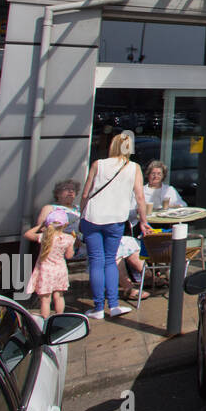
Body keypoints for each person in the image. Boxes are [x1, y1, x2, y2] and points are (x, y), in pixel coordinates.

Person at [80, 130, 149, 319]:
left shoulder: (98, 164)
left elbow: (85, 194)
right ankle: (114, 305)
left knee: (96, 261)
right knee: (110, 260)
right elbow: (140, 198)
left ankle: (97, 308)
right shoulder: (134, 168)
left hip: (92, 217)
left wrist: (81, 215)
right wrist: (143, 221)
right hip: (116, 219)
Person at [24, 210, 75, 319]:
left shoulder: (44, 237)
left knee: (45, 300)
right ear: (65, 224)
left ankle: (45, 319)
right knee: (59, 296)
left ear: (48, 224)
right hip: (60, 270)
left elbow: (27, 234)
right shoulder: (69, 238)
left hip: (45, 271)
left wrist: (40, 226)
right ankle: (59, 317)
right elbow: (69, 256)